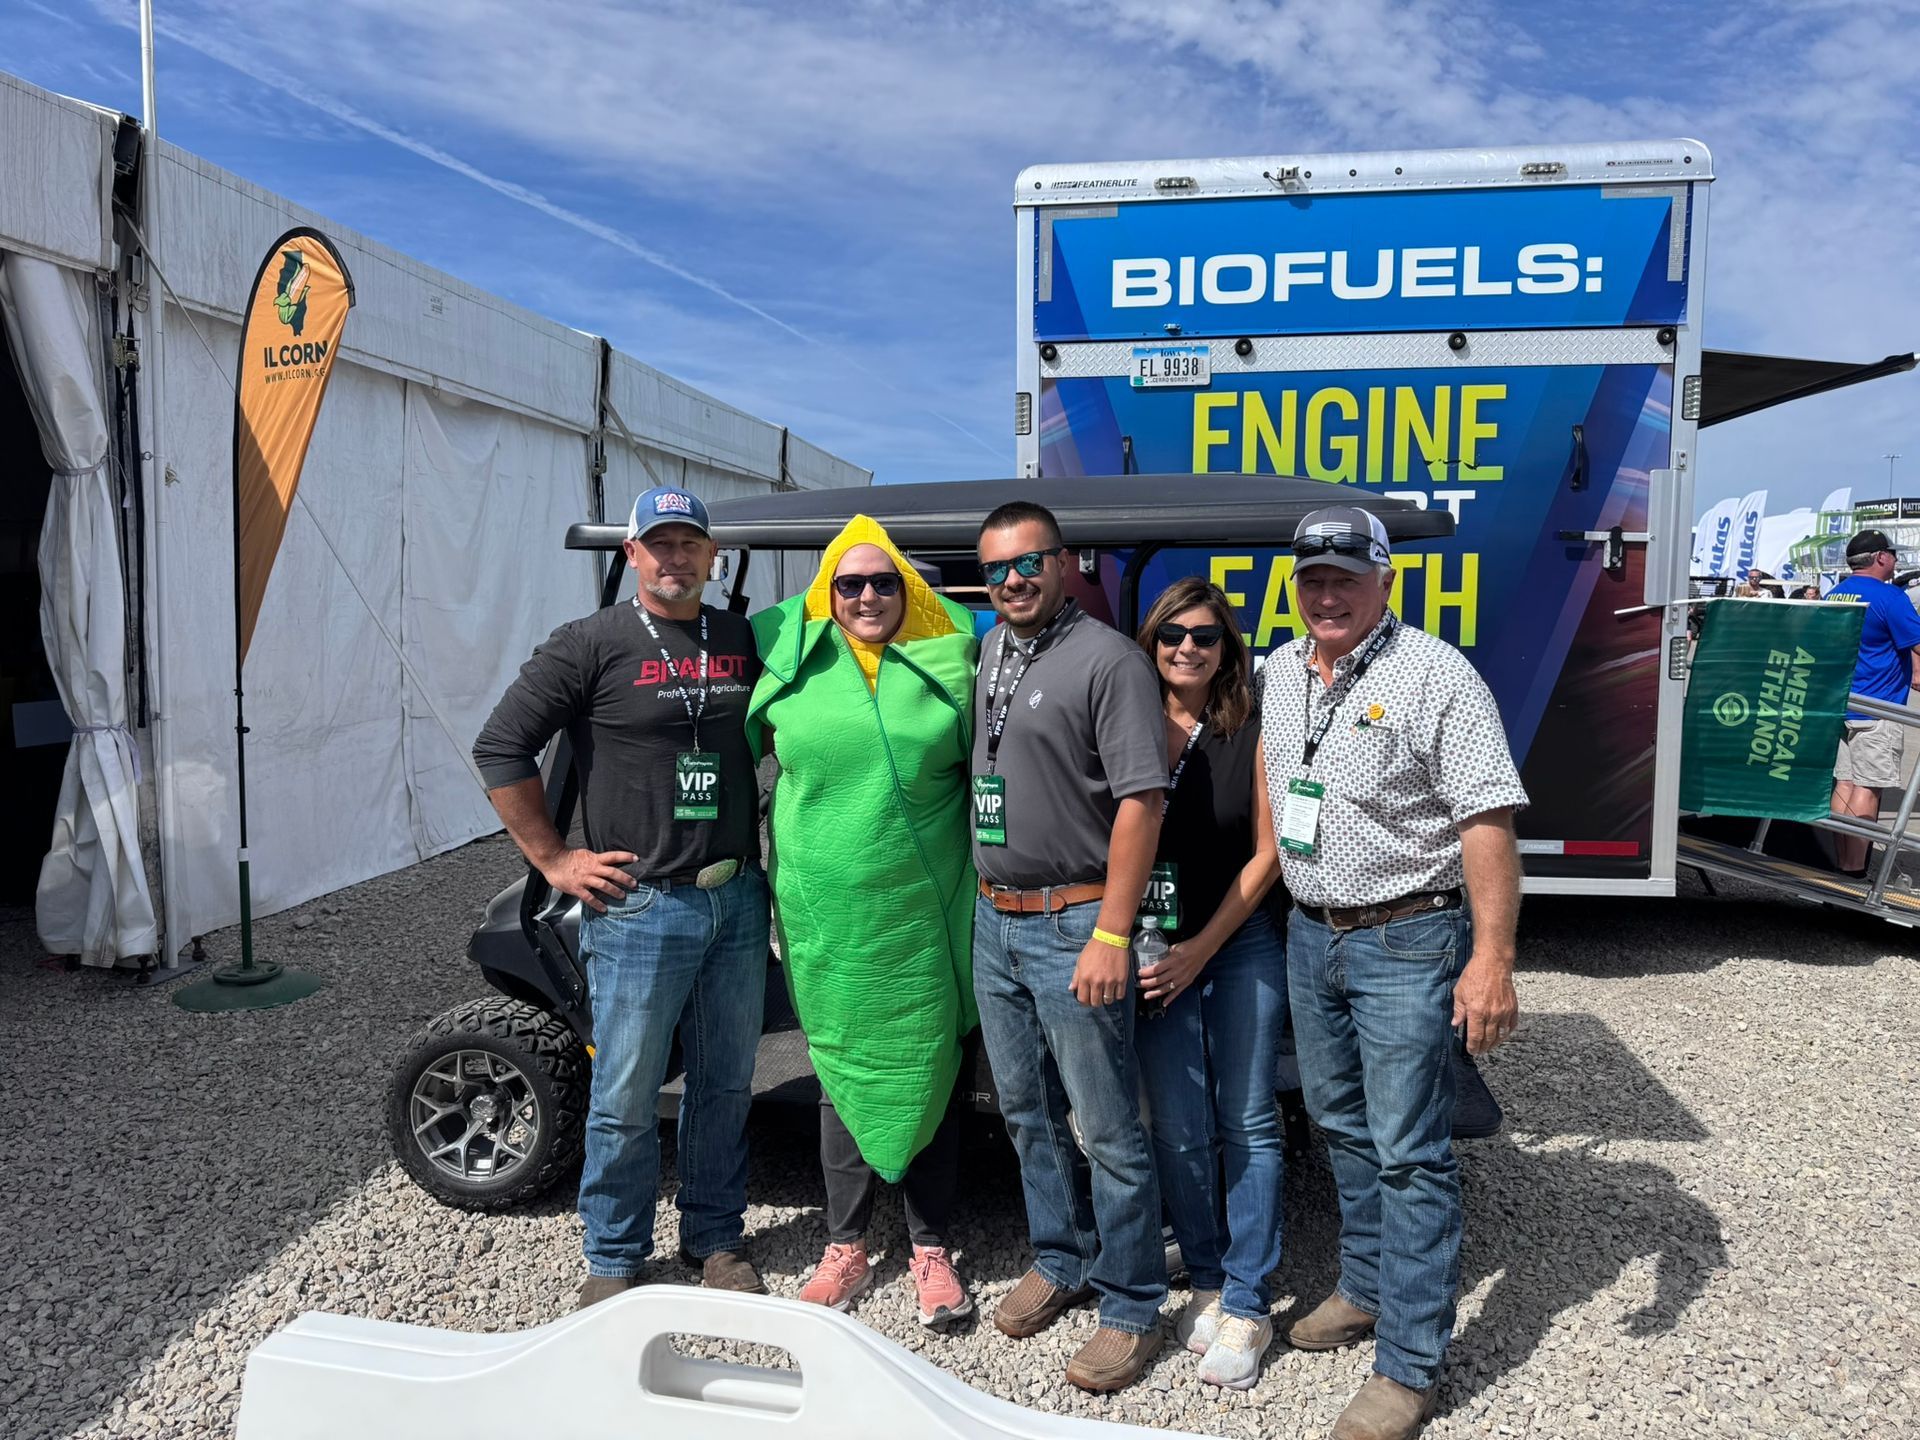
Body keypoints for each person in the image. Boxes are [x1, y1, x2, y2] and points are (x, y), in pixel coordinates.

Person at [1261, 505, 1528, 1440]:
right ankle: (1367, 1287)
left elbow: (1486, 821)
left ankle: (1409, 1365)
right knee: (1339, 1125)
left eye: (1346, 576)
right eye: (1312, 578)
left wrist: (1491, 960)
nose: (1326, 593)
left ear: (1386, 581)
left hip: (1407, 939)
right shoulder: (1281, 671)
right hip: (1310, 933)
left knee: (1410, 1147)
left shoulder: (1436, 676)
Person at [472, 486, 769, 1309]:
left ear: (712, 558)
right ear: (631, 554)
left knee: (724, 1082)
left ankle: (714, 1237)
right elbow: (500, 747)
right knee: (628, 1092)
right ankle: (613, 1252)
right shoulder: (589, 643)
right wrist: (556, 857)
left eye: (690, 545)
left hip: (736, 899)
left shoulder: (741, 636)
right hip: (641, 907)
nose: (675, 559)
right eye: (659, 545)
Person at [746, 516, 980, 1328]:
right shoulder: (782, 654)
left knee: (930, 1065)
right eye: (850, 584)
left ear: (908, 589)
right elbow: (706, 737)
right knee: (840, 1067)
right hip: (832, 913)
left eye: (884, 582)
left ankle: (929, 1247)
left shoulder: (956, 655)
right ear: (827, 593)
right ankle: (844, 1245)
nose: (868, 596)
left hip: (925, 907)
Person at [970, 501, 1169, 1393]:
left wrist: (1113, 933)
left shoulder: (1110, 660)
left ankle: (1131, 1303)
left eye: (1029, 563)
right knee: (1025, 1112)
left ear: (1062, 563)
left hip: (1072, 923)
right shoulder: (992, 651)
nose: (1012, 580)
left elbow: (1141, 802)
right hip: (994, 919)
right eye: (998, 568)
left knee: (1109, 1127)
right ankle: (1063, 1255)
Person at [1129, 578, 1287, 1390]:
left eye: (1205, 636)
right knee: (1180, 1123)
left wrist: (1201, 949)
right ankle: (1207, 1275)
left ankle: (1252, 1298)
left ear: (1229, 648)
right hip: (1152, 940)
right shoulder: (1123, 718)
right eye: (1170, 636)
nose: (1186, 648)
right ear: (1149, 642)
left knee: (1248, 1117)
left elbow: (1268, 853)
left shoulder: (1249, 723)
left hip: (1237, 938)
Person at [1826, 529, 1920, 875]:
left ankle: (1842, 864)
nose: (1895, 561)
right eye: (1893, 554)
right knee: (1868, 786)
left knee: (1845, 783)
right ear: (1881, 557)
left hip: (1840, 703)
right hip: (1877, 707)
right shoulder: (1890, 597)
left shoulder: (1835, 594)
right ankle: (1854, 870)